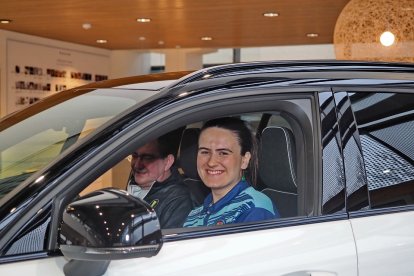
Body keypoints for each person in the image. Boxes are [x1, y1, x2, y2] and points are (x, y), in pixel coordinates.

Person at [184, 117, 280, 227]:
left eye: (223, 153)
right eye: (205, 152)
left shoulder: (255, 209)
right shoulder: (194, 215)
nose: (211, 162)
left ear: (245, 160)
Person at [127, 129, 194, 229]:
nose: (137, 164)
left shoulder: (177, 200)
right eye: (135, 156)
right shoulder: (132, 189)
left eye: (147, 158)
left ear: (167, 162)